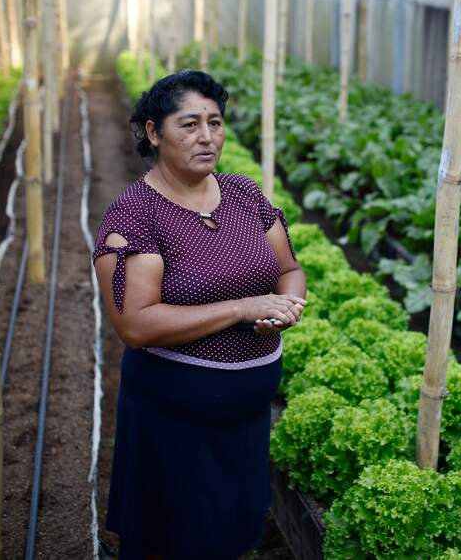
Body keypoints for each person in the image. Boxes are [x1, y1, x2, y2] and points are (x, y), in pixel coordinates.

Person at [93, 70, 307, 559]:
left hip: (246, 416)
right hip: (174, 419)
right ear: (153, 132)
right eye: (189, 124)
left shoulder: (244, 195)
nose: (206, 136)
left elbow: (290, 269)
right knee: (174, 537)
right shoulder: (135, 216)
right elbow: (136, 324)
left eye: (215, 122)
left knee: (234, 531)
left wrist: (287, 308)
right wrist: (241, 308)